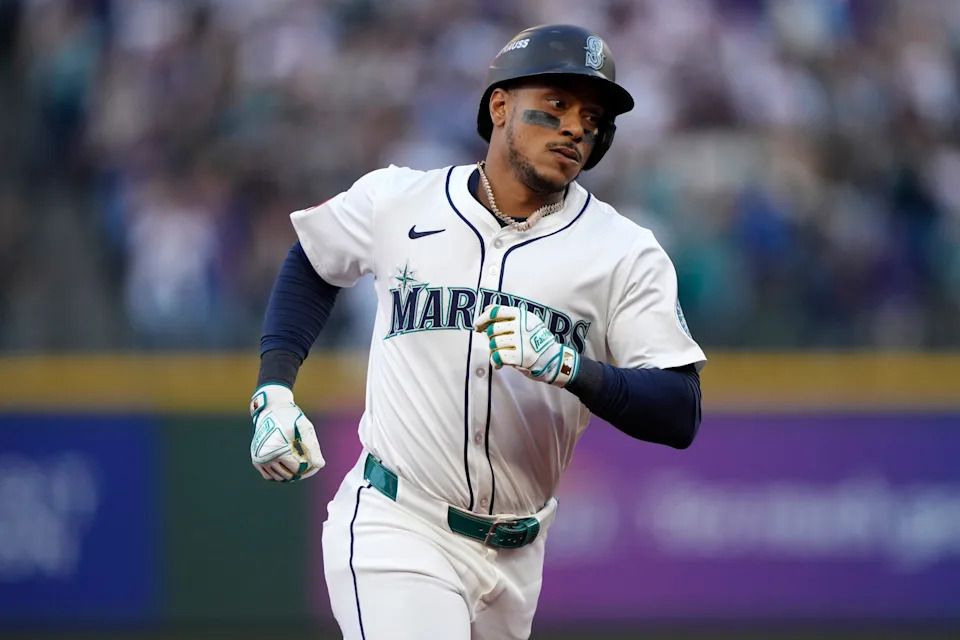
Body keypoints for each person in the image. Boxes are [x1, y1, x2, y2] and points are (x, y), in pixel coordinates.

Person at [248, 24, 706, 640]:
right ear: (500, 106)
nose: (575, 126)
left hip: (519, 551)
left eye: (592, 116)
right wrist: (274, 389)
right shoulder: (399, 200)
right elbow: (312, 261)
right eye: (556, 105)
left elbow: (679, 411)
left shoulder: (625, 253)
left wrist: (572, 367)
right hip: (397, 521)